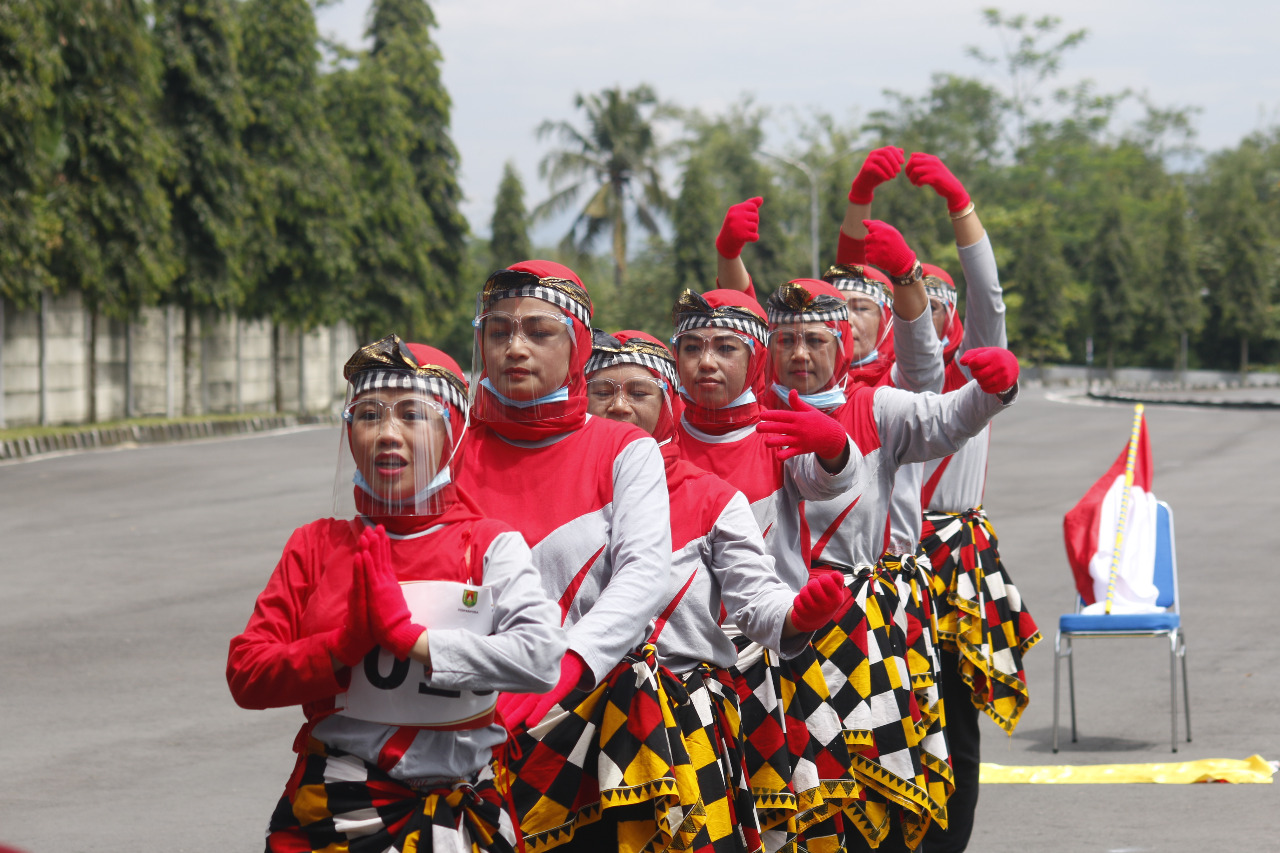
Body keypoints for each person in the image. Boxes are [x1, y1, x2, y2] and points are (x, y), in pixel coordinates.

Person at [227, 335, 566, 852]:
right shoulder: (316, 545)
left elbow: (541, 659)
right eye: (368, 416)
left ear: (451, 432)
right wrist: (344, 646)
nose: (388, 434)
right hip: (334, 809)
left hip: (460, 811)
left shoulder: (490, 545)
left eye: (413, 415)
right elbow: (247, 676)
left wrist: (413, 640)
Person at [761, 261, 1021, 851]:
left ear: (843, 345)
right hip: (768, 630)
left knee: (870, 790)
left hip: (861, 627)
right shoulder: (744, 411)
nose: (800, 353)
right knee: (784, 798)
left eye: (815, 340)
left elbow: (951, 417)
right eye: (786, 340)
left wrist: (993, 390)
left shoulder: (880, 407)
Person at [584, 328, 849, 853]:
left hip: (681, 718)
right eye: (602, 390)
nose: (619, 406)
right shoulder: (561, 487)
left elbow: (756, 600)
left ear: (668, 402)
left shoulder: (711, 497)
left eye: (639, 392)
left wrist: (795, 614)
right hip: (570, 713)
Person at [457, 261, 679, 853]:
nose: (515, 347)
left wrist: (570, 665)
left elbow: (644, 573)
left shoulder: (624, 450)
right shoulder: (451, 446)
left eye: (539, 331)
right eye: (498, 331)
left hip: (590, 720)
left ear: (578, 344)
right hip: (465, 720)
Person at [669, 286, 864, 849]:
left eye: (726, 348)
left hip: (772, 655)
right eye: (692, 347)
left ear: (755, 358)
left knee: (787, 825)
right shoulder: (653, 439)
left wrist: (833, 445)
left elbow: (833, 480)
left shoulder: (778, 430)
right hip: (682, 665)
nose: (706, 362)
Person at [900, 153, 1042, 853]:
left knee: (955, 717)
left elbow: (991, 299)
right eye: (912, 296)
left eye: (935, 295)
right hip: (887, 565)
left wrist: (961, 205)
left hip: (952, 563)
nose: (927, 308)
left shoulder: (979, 371)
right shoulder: (893, 382)